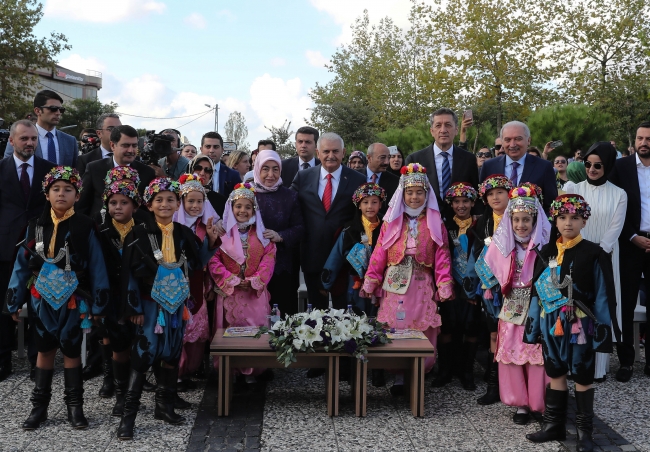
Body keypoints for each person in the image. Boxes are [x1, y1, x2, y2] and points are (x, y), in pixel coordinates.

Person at [6, 166, 110, 430]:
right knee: (44, 348)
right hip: (41, 300)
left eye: (68, 189)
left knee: (72, 349)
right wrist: (14, 300)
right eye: (56, 189)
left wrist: (99, 305)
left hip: (73, 300)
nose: (61, 194)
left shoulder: (86, 226)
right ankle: (39, 408)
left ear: (77, 195)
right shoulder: (35, 226)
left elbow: (97, 266)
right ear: (47, 194)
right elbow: (21, 264)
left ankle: (75, 408)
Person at [118, 177, 219, 440]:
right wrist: (133, 309)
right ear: (149, 205)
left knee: (172, 353)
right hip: (150, 306)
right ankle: (128, 418)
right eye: (158, 199)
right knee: (144, 355)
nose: (165, 204)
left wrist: (209, 242)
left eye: (170, 199)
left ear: (178, 204)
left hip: (177, 306)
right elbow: (128, 275)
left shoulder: (184, 234)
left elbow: (197, 265)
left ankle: (165, 406)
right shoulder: (137, 234)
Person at [525, 195, 617, 452]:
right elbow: (535, 292)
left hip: (581, 327)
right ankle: (553, 425)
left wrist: (602, 331)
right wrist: (533, 326)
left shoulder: (594, 252)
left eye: (575, 218)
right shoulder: (546, 251)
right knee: (555, 370)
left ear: (584, 221)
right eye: (563, 218)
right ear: (554, 221)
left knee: (582, 374)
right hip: (550, 323)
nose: (568, 223)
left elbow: (602, 295)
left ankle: (584, 432)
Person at [362, 164, 454, 395]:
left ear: (427, 195)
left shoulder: (435, 223)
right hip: (394, 286)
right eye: (410, 192)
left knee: (422, 328)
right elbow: (379, 253)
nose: (414, 197)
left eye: (419, 192)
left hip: (422, 285)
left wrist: (444, 284)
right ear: (402, 195)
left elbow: (442, 255)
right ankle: (400, 377)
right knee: (395, 326)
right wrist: (371, 280)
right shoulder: (391, 222)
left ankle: (418, 375)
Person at [484, 184, 550, 424]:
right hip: (511, 305)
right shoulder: (502, 246)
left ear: (535, 220)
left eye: (526, 220)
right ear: (510, 221)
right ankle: (520, 404)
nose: (521, 225)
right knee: (512, 353)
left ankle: (539, 403)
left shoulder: (545, 246)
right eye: (517, 220)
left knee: (536, 353)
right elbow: (488, 269)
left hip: (537, 306)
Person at [564, 142, 627, 383]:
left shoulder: (619, 194)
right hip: (575, 255)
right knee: (574, 306)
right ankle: (573, 363)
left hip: (605, 256)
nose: (591, 169)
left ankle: (598, 368)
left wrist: (598, 254)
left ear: (608, 165)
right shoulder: (573, 188)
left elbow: (615, 227)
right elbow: (564, 222)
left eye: (598, 165)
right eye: (587, 164)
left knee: (599, 308)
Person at [0, 120, 56, 383]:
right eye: (24, 139)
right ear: (12, 141)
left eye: (33, 138)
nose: (30, 143)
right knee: (4, 303)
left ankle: (38, 360)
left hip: (40, 247)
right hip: (4, 246)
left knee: (37, 305)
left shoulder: (50, 171)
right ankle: (3, 359)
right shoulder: (1, 169)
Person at [208, 183, 276, 384]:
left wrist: (255, 280)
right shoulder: (222, 234)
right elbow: (213, 259)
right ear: (231, 208)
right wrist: (232, 279)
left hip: (254, 293)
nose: (243, 211)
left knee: (256, 329)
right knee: (230, 330)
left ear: (254, 209)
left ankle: (254, 371)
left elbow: (269, 258)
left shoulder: (262, 234)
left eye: (248, 207)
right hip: (230, 292)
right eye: (238, 206)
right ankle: (232, 372)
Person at [291, 132, 366, 310]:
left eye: (335, 151)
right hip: (312, 255)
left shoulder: (358, 179)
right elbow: (289, 205)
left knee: (345, 313)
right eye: (326, 151)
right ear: (318, 153)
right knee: (317, 315)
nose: (330, 156)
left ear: (343, 152)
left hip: (344, 258)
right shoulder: (303, 177)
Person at [94, 174, 144, 416]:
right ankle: (121, 393)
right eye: (113, 203)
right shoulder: (101, 231)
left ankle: (137, 391)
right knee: (118, 344)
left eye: (124, 202)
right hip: (112, 297)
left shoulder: (145, 229)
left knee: (141, 344)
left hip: (139, 296)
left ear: (135, 205)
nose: (118, 207)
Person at [608, 121, 650, 381]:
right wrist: (632, 236)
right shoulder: (621, 167)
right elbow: (614, 208)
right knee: (624, 302)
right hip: (630, 244)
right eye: (640, 138)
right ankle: (625, 362)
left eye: (648, 138)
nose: (644, 142)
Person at [173, 174, 220, 389]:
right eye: (190, 201)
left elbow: (210, 261)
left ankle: (188, 370)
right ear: (181, 202)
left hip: (198, 284)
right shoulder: (172, 226)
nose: (195, 205)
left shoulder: (206, 227)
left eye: (199, 201)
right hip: (174, 284)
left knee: (196, 331)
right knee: (177, 329)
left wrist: (210, 284)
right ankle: (175, 371)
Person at [470, 174, 514, 405]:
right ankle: (494, 385)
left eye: (500, 192)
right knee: (494, 334)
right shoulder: (483, 222)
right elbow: (475, 254)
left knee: (512, 334)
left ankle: (513, 384)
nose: (495, 197)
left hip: (515, 287)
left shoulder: (520, 218)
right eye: (490, 194)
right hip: (490, 288)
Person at [433, 182, 481, 391]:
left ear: (473, 203)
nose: (461, 206)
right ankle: (445, 370)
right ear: (451, 204)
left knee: (471, 325)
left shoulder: (480, 225)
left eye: (465, 201)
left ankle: (467, 371)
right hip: (449, 284)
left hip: (472, 285)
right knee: (448, 326)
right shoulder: (444, 226)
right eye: (457, 202)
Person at [251, 150, 303, 316]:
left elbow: (300, 228)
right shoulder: (247, 194)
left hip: (281, 264)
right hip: (251, 265)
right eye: (265, 168)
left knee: (281, 312)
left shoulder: (290, 196)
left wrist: (279, 235)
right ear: (257, 168)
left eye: (275, 169)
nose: (270, 174)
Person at [322, 183, 386, 314]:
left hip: (381, 284)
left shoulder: (388, 228)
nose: (370, 206)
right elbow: (336, 257)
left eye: (374, 202)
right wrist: (325, 284)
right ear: (359, 205)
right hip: (355, 284)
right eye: (365, 202)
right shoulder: (349, 230)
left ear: (380, 204)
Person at [406, 108, 479, 220]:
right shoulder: (415, 160)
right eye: (438, 125)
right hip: (425, 222)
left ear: (456, 130)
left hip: (460, 223)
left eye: (448, 125)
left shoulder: (468, 159)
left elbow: (475, 191)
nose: (443, 130)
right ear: (432, 131)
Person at [77, 125, 156, 218]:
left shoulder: (147, 172)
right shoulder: (94, 169)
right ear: (113, 145)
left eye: (134, 145)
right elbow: (81, 205)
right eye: (125, 145)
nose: (131, 150)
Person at [480, 121, 558, 212]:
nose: (512, 145)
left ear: (528, 140)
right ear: (502, 142)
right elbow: (482, 202)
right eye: (507, 140)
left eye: (518, 139)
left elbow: (551, 206)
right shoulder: (489, 166)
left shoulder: (544, 167)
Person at [4, 90, 78, 167]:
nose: (58, 113)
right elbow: (8, 168)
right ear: (38, 111)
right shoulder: (19, 138)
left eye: (61, 110)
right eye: (53, 109)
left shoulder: (70, 141)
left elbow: (74, 173)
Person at [199, 132, 241, 197]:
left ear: (222, 150)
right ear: (201, 149)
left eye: (216, 147)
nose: (211, 150)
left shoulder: (233, 175)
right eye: (208, 146)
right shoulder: (192, 172)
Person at [365, 143, 399, 216]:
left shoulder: (395, 181)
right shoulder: (354, 177)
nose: (387, 162)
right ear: (369, 158)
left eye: (388, 157)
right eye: (382, 157)